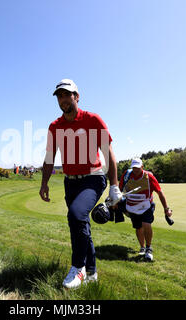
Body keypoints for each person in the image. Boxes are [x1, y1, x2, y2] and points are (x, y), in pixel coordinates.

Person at [39, 79, 122, 289]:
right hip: (70, 182)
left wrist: (114, 185)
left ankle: (78, 268)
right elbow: (49, 157)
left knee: (76, 215)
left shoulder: (93, 119)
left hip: (93, 178)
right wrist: (44, 183)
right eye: (59, 96)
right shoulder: (55, 126)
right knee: (80, 224)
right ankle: (92, 273)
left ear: (77, 96)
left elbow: (109, 153)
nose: (63, 99)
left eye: (67, 95)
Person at [118, 158, 173, 261]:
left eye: (138, 168)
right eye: (134, 168)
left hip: (146, 206)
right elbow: (120, 189)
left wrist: (166, 208)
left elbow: (160, 193)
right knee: (138, 227)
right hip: (132, 207)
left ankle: (148, 248)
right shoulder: (127, 175)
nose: (136, 170)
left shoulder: (149, 177)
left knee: (146, 224)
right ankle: (142, 247)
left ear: (142, 167)